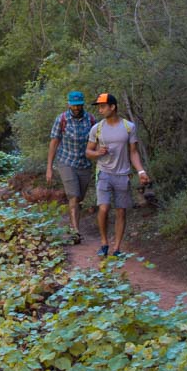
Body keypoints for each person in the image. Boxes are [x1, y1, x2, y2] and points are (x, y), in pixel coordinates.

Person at [86, 93, 150, 258]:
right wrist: (98, 152)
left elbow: (133, 153)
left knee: (121, 211)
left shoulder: (129, 127)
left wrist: (141, 171)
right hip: (103, 173)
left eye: (102, 106)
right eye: (99, 107)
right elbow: (88, 152)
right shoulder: (97, 128)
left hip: (123, 174)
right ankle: (104, 242)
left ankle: (117, 248)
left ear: (112, 107)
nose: (100, 110)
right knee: (104, 207)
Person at [45, 90, 94, 243]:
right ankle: (75, 232)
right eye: (74, 106)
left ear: (83, 104)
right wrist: (49, 167)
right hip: (66, 161)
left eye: (79, 105)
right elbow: (54, 143)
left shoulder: (91, 120)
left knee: (79, 197)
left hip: (84, 163)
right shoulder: (62, 119)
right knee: (73, 196)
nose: (76, 108)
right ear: (68, 104)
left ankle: (74, 224)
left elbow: (99, 141)